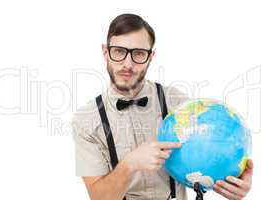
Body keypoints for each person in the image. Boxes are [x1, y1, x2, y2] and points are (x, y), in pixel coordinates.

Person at [72, 13, 253, 200]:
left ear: (151, 57)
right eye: (119, 51)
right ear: (105, 52)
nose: (128, 64)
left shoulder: (180, 105)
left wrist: (236, 180)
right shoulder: (86, 120)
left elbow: (211, 150)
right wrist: (130, 164)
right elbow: (98, 197)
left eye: (139, 54)